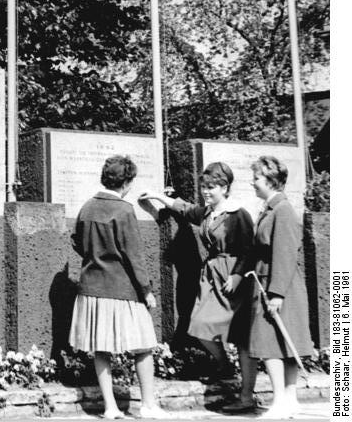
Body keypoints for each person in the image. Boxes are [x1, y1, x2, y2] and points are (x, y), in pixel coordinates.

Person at [138, 162, 258, 413]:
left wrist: (237, 276)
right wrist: (159, 197)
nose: (206, 191)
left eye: (211, 187)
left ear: (225, 188)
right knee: (200, 326)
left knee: (243, 338)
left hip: (234, 279)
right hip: (211, 278)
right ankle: (224, 365)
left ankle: (247, 396)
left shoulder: (238, 214)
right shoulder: (207, 212)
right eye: (203, 187)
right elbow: (185, 208)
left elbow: (250, 249)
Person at [69, 155, 168, 419]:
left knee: (101, 348)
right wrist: (146, 290)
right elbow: (133, 254)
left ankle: (110, 407)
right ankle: (148, 405)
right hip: (123, 290)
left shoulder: (87, 207)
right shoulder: (124, 210)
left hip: (91, 289)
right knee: (144, 346)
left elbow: (77, 242)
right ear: (126, 182)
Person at [246, 155, 315, 419]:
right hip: (272, 283)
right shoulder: (271, 208)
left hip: (277, 286)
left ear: (271, 181)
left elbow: (285, 254)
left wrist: (276, 294)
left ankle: (281, 401)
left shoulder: (282, 210)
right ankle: (289, 399)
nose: (253, 183)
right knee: (283, 343)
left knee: (272, 345)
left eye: (257, 178)